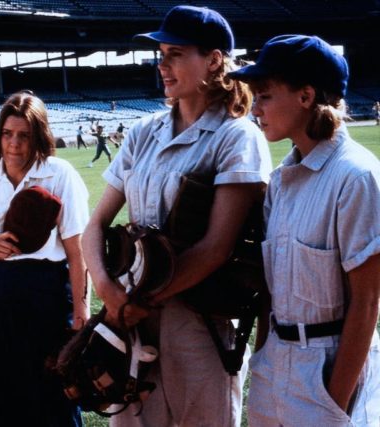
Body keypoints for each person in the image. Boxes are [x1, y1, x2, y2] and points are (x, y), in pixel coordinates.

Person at [82, 5, 272, 426]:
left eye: (175, 54)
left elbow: (215, 248)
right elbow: (93, 226)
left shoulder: (236, 135)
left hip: (200, 323)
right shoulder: (142, 131)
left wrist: (137, 301)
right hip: (131, 323)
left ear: (214, 60)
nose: (162, 66)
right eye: (161, 54)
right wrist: (107, 291)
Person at [229, 34, 380, 426]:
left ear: (306, 96)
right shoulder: (279, 181)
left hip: (327, 374)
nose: (255, 109)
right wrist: (264, 356)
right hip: (274, 368)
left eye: (264, 95)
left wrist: (334, 400)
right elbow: (270, 292)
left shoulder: (356, 176)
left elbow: (366, 303)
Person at [0, 91, 90, 426]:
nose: (14, 144)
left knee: (56, 396)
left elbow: (76, 249)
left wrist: (81, 309)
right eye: (7, 134)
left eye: (24, 136)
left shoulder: (59, 173)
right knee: (3, 398)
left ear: (39, 137)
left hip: (48, 292)